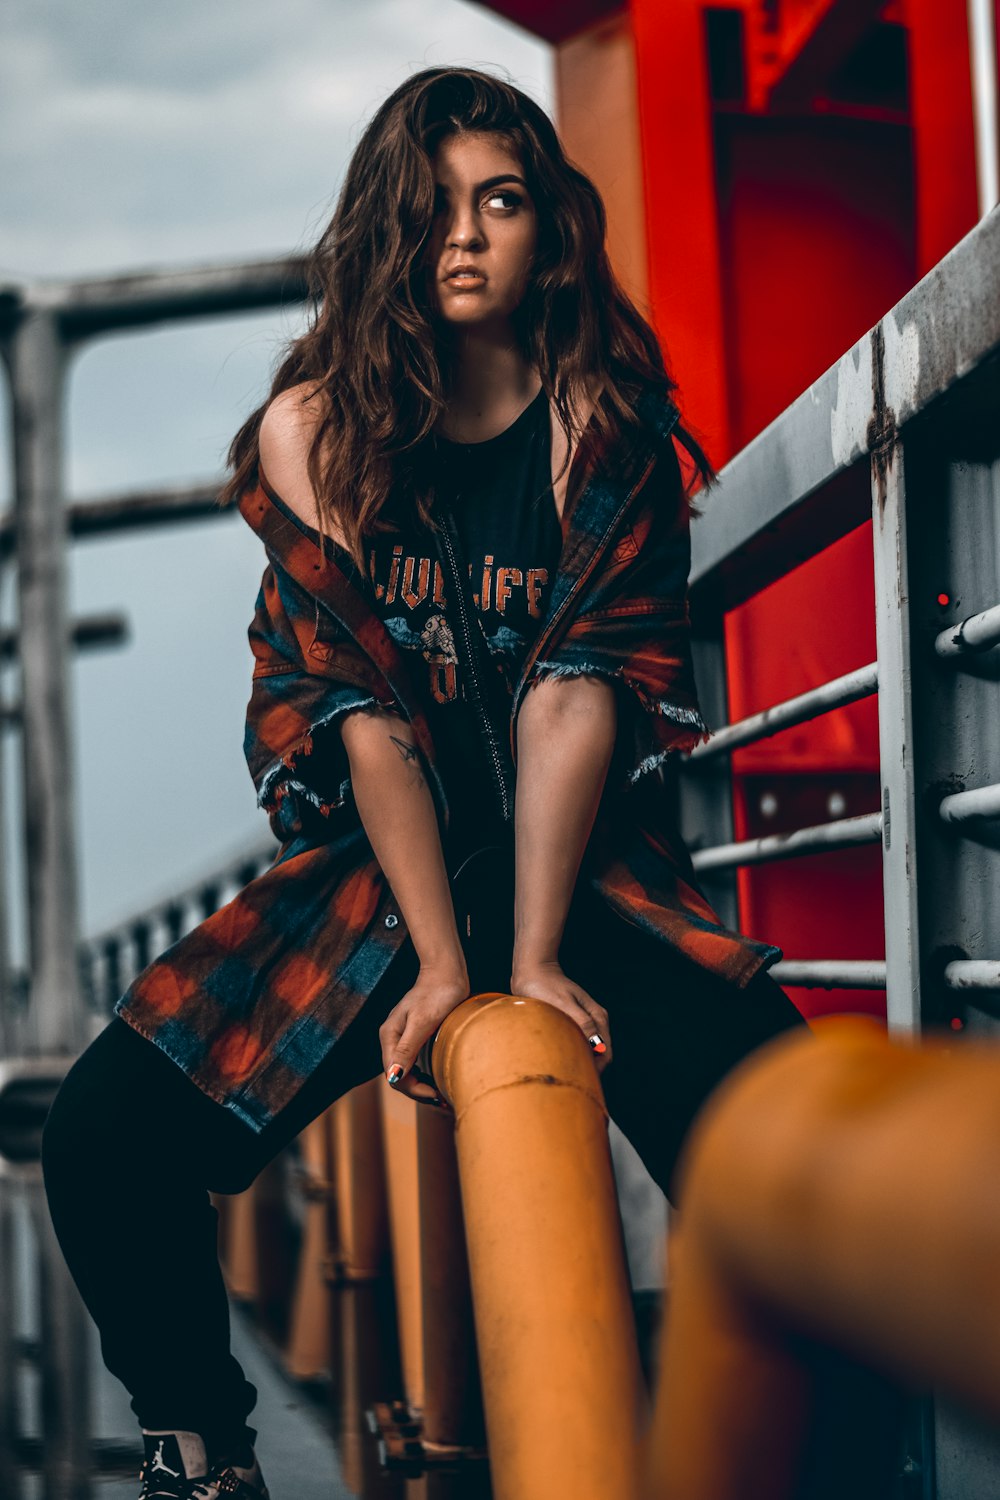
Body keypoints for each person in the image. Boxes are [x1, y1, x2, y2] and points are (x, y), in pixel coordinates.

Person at [40, 65, 806, 1499]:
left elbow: (584, 687)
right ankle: (200, 1457)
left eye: (500, 202)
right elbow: (360, 717)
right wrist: (447, 968)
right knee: (101, 1138)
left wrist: (528, 954)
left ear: (549, 233)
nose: (464, 237)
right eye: (431, 206)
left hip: (581, 871)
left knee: (796, 1172)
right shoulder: (320, 429)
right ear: (383, 230)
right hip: (376, 887)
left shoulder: (601, 426)